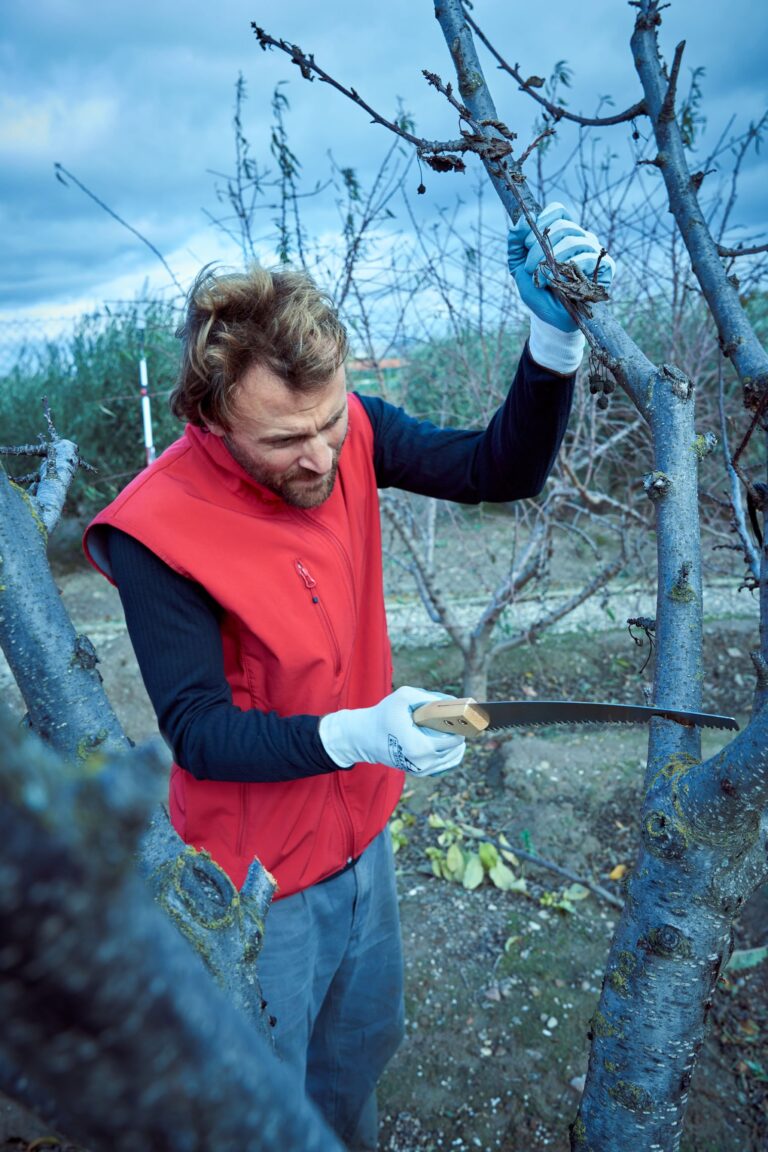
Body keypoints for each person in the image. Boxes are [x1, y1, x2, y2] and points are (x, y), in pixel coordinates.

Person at [84, 201, 613, 1151]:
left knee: (357, 1061)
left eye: (328, 421)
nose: (321, 456)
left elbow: (500, 469)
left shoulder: (349, 428)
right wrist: (359, 732)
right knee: (262, 1105)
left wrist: (552, 338)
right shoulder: (156, 528)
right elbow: (199, 731)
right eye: (284, 441)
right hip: (255, 884)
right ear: (208, 417)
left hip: (363, 836)